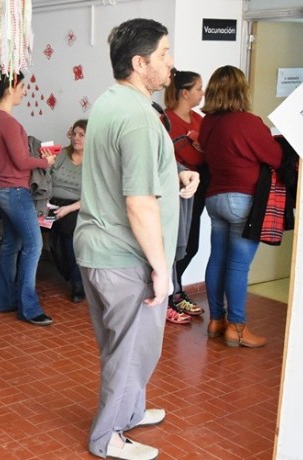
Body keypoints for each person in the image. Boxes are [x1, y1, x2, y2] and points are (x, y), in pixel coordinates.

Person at [74, 18, 199, 460]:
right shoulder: (140, 119)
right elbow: (139, 204)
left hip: (97, 247)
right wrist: (164, 270)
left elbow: (125, 171)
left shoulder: (112, 103)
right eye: (164, 54)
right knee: (131, 352)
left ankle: (130, 410)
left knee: (121, 346)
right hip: (124, 256)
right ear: (139, 62)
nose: (172, 63)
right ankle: (107, 438)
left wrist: (176, 172)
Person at [199, 65, 282, 348]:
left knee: (217, 259)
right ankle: (236, 327)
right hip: (242, 200)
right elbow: (275, 157)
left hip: (214, 199)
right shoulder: (249, 122)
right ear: (241, 90)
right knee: (237, 265)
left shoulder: (207, 123)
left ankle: (216, 321)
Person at [0, 69, 56, 326]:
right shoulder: (8, 122)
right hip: (15, 190)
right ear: (12, 86)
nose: (25, 92)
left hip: (2, 188)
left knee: (10, 245)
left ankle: (5, 300)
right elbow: (21, 160)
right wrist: (45, 160)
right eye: (23, 87)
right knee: (34, 245)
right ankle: (28, 307)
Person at [161, 69, 207, 324]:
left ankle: (175, 291)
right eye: (199, 88)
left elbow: (207, 153)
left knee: (191, 246)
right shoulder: (164, 120)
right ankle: (170, 295)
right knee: (175, 246)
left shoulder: (200, 120)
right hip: (174, 192)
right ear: (185, 92)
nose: (202, 93)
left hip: (197, 188)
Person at [49, 119, 87, 303]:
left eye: (82, 135)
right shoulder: (62, 154)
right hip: (51, 203)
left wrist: (67, 209)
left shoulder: (94, 161)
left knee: (67, 229)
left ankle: (77, 284)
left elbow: (92, 195)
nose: (77, 138)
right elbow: (46, 178)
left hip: (75, 205)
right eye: (75, 133)